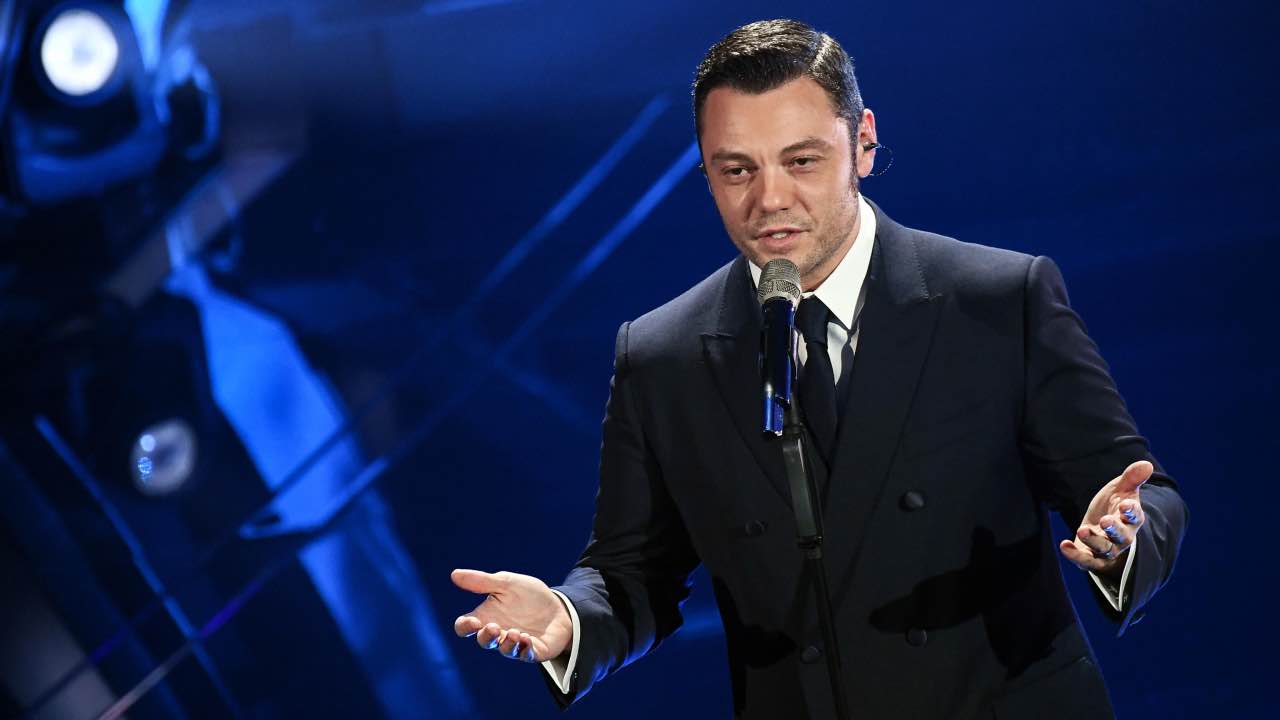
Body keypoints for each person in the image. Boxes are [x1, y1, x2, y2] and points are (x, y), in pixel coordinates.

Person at [450, 18, 1187, 720]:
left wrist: (1122, 536)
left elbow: (1137, 492)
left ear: (862, 143)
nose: (770, 199)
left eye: (801, 161)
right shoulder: (660, 354)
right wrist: (570, 617)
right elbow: (630, 570)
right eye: (736, 170)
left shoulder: (997, 299)